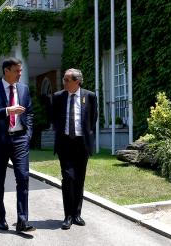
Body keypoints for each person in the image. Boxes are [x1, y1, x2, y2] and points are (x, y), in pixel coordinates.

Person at [0, 57, 35, 233]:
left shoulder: (24, 89)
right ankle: (1, 217)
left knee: (23, 177)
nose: (20, 73)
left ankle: (22, 220)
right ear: (6, 71)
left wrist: (28, 135)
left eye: (20, 70)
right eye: (17, 71)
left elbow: (30, 113)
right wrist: (8, 110)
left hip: (20, 139)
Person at [52, 68, 97, 230]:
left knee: (79, 180)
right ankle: (68, 215)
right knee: (68, 178)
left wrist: (86, 136)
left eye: (66, 80)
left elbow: (93, 120)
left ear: (77, 81)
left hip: (81, 144)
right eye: (64, 79)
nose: (63, 82)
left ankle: (77, 214)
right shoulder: (58, 97)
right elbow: (54, 117)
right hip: (65, 144)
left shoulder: (90, 96)